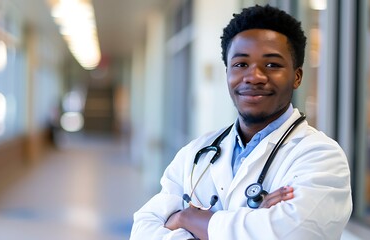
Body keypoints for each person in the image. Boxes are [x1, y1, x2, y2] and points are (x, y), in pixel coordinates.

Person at [130, 4, 352, 240]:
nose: (254, 76)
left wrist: (186, 218)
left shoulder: (321, 156)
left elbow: (295, 233)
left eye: (272, 65)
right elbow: (143, 229)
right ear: (228, 73)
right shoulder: (196, 153)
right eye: (241, 64)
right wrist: (251, 223)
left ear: (297, 77)